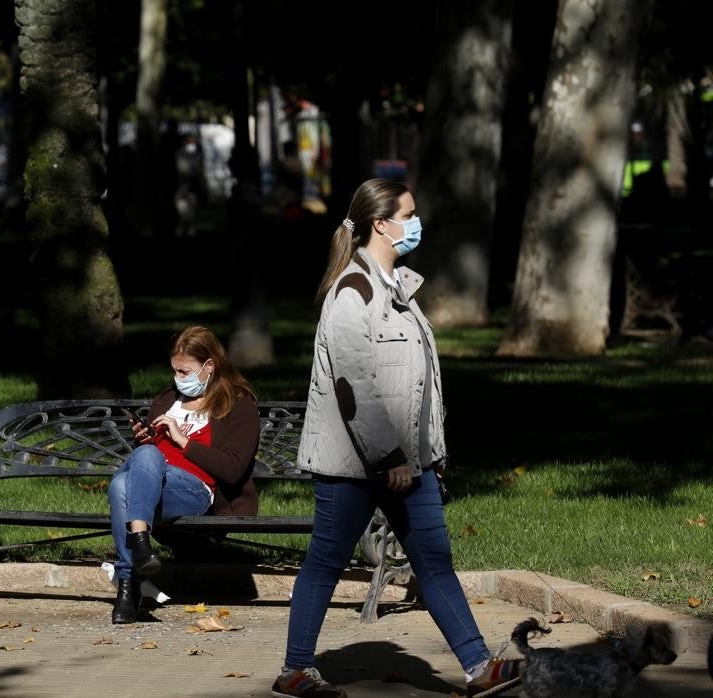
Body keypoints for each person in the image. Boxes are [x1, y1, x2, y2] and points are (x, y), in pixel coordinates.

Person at [271, 179, 524, 698]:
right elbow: (354, 388)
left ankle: (478, 667)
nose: (416, 222)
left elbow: (415, 386)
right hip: (354, 466)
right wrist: (388, 456)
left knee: (434, 562)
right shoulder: (351, 292)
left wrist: (430, 454)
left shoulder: (399, 290)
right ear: (380, 224)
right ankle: (296, 669)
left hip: (411, 462)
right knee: (326, 560)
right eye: (408, 214)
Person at [108, 326, 260, 623]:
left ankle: (130, 579)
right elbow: (148, 456)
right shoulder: (168, 399)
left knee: (122, 484)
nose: (179, 379)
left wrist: (183, 441)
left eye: (185, 371)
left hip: (195, 490)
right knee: (126, 480)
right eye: (175, 371)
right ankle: (135, 565)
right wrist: (145, 439)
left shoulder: (238, 404)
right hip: (151, 485)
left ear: (210, 366)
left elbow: (233, 468)